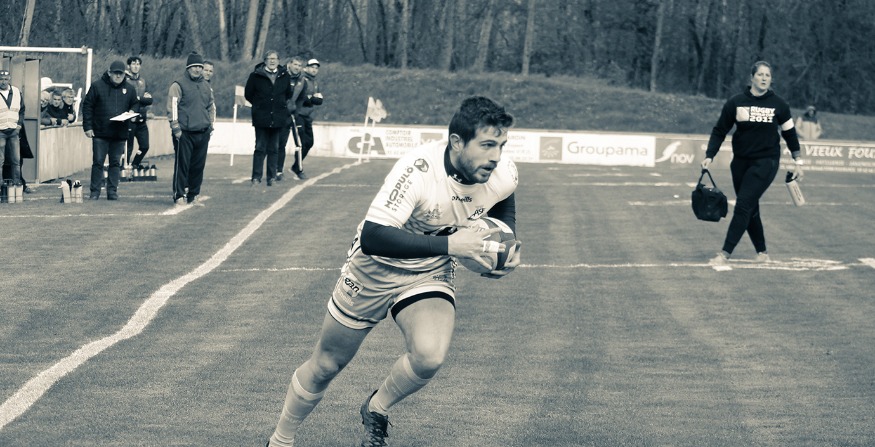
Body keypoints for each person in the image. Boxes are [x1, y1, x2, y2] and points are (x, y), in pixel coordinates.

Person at [265, 96, 522, 447]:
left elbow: (504, 199)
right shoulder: (419, 171)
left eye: (501, 145)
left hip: (428, 269)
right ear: (457, 142)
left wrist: (503, 244)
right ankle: (281, 439)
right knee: (326, 365)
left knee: (429, 356)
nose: (496, 156)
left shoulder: (501, 172)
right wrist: (452, 245)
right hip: (373, 268)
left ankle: (377, 407)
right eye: (487, 145)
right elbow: (373, 237)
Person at [701, 60, 804, 265]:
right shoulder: (736, 102)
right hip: (740, 162)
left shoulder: (779, 105)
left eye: (768, 75)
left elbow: (790, 134)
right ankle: (762, 253)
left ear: (771, 79)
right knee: (750, 206)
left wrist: (798, 161)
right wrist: (710, 155)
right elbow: (720, 130)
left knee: (743, 205)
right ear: (752, 78)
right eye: (760, 74)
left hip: (766, 162)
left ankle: (724, 254)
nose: (764, 78)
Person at [81, 60, 139, 200]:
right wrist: (88, 127)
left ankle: (112, 191)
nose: (118, 76)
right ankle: (95, 191)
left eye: (121, 74)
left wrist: (132, 111)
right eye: (115, 73)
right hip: (100, 131)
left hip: (119, 132)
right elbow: (87, 106)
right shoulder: (97, 86)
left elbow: (135, 103)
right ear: (109, 73)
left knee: (115, 163)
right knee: (98, 162)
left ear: (124, 74)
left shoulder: (130, 89)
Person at [167, 52, 215, 205]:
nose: (197, 69)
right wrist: (176, 128)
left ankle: (194, 195)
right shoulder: (178, 85)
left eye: (200, 67)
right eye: (194, 66)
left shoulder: (206, 86)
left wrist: (210, 126)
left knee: (198, 166)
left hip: (203, 132)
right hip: (184, 133)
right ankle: (179, 195)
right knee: (182, 165)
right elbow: (173, 107)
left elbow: (211, 106)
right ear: (188, 67)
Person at [244, 50, 293, 187]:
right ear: (264, 61)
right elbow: (248, 94)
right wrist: (260, 106)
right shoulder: (255, 76)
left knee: (274, 149)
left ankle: (271, 178)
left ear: (278, 60)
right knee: (260, 148)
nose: (272, 61)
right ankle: (256, 178)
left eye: (274, 58)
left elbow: (288, 94)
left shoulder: (285, 76)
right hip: (261, 117)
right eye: (269, 58)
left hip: (278, 118)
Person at [290, 58, 323, 180]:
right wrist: (309, 99)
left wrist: (315, 99)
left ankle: (295, 166)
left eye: (316, 68)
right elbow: (296, 96)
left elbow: (318, 98)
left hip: (308, 116)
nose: (314, 70)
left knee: (309, 142)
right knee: (301, 143)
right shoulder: (302, 79)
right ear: (306, 68)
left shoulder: (315, 82)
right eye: (312, 67)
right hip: (298, 114)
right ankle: (298, 170)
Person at [276, 56, 306, 181]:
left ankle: (280, 172)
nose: (297, 67)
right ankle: (268, 171)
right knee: (272, 144)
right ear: (289, 64)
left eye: (299, 65)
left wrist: (295, 112)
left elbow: (301, 98)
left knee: (283, 143)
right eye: (295, 64)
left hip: (289, 116)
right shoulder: (280, 75)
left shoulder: (302, 80)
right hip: (276, 114)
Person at [125, 56, 153, 168]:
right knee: (128, 148)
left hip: (141, 119)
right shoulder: (125, 80)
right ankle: (123, 169)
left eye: (138, 64)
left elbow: (149, 100)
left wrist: (137, 98)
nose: (136, 66)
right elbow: (126, 99)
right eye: (133, 64)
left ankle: (134, 164)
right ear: (129, 66)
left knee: (145, 146)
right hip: (129, 119)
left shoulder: (143, 81)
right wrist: (141, 99)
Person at [0, 69, 25, 188]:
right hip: (0, 131)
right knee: (0, 160)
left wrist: (19, 125)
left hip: (14, 130)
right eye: (1, 79)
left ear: (9, 79)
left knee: (16, 160)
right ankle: (1, 185)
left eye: (5, 79)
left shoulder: (16, 91)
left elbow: (22, 110)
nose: (3, 82)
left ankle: (17, 184)